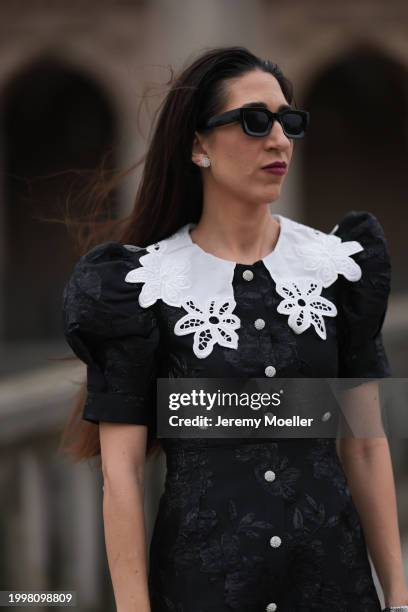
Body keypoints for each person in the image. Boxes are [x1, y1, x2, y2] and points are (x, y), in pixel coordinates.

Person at [61, 46, 408, 612]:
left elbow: (365, 447)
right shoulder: (141, 287)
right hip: (204, 592)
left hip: (332, 588)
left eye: (288, 122)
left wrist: (398, 597)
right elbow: (120, 478)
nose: (279, 140)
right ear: (198, 145)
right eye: (254, 121)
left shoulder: (337, 268)